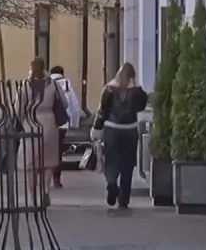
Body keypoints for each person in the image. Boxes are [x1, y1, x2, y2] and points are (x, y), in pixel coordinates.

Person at [91, 62, 148, 209]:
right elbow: (141, 106)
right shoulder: (137, 92)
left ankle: (111, 184)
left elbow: (102, 111)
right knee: (127, 165)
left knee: (111, 161)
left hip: (112, 129)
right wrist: (136, 87)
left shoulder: (109, 89)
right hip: (130, 130)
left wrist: (96, 129)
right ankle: (123, 199)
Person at [18, 57, 68, 206]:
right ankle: (45, 189)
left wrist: (22, 120)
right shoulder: (52, 84)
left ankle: (33, 197)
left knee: (30, 164)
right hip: (50, 124)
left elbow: (18, 108)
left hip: (31, 123)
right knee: (48, 161)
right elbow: (64, 102)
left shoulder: (25, 85)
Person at [49, 65, 81, 188]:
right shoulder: (67, 84)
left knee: (46, 149)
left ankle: (45, 175)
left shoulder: (46, 84)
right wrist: (74, 123)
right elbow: (73, 105)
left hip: (47, 123)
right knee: (58, 151)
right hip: (62, 123)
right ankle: (57, 178)